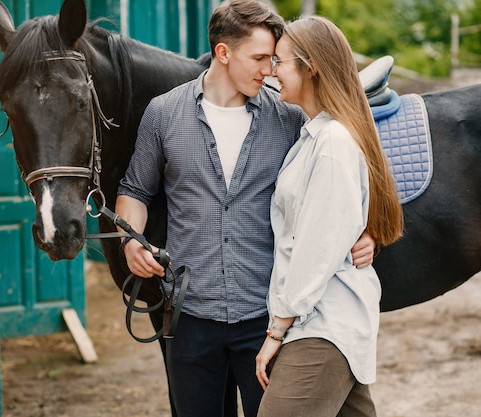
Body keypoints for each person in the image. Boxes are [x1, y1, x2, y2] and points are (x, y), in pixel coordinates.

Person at [116, 2, 376, 416]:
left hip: (265, 317)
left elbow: (336, 187)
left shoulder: (291, 119)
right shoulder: (163, 114)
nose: (270, 69)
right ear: (223, 53)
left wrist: (365, 230)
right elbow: (134, 191)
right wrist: (132, 242)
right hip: (188, 315)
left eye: (274, 59)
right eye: (259, 58)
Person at [255, 15, 404, 417]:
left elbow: (316, 249)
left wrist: (277, 331)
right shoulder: (315, 136)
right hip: (321, 322)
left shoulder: (333, 142)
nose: (272, 72)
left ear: (310, 66)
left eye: (279, 61)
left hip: (321, 325)